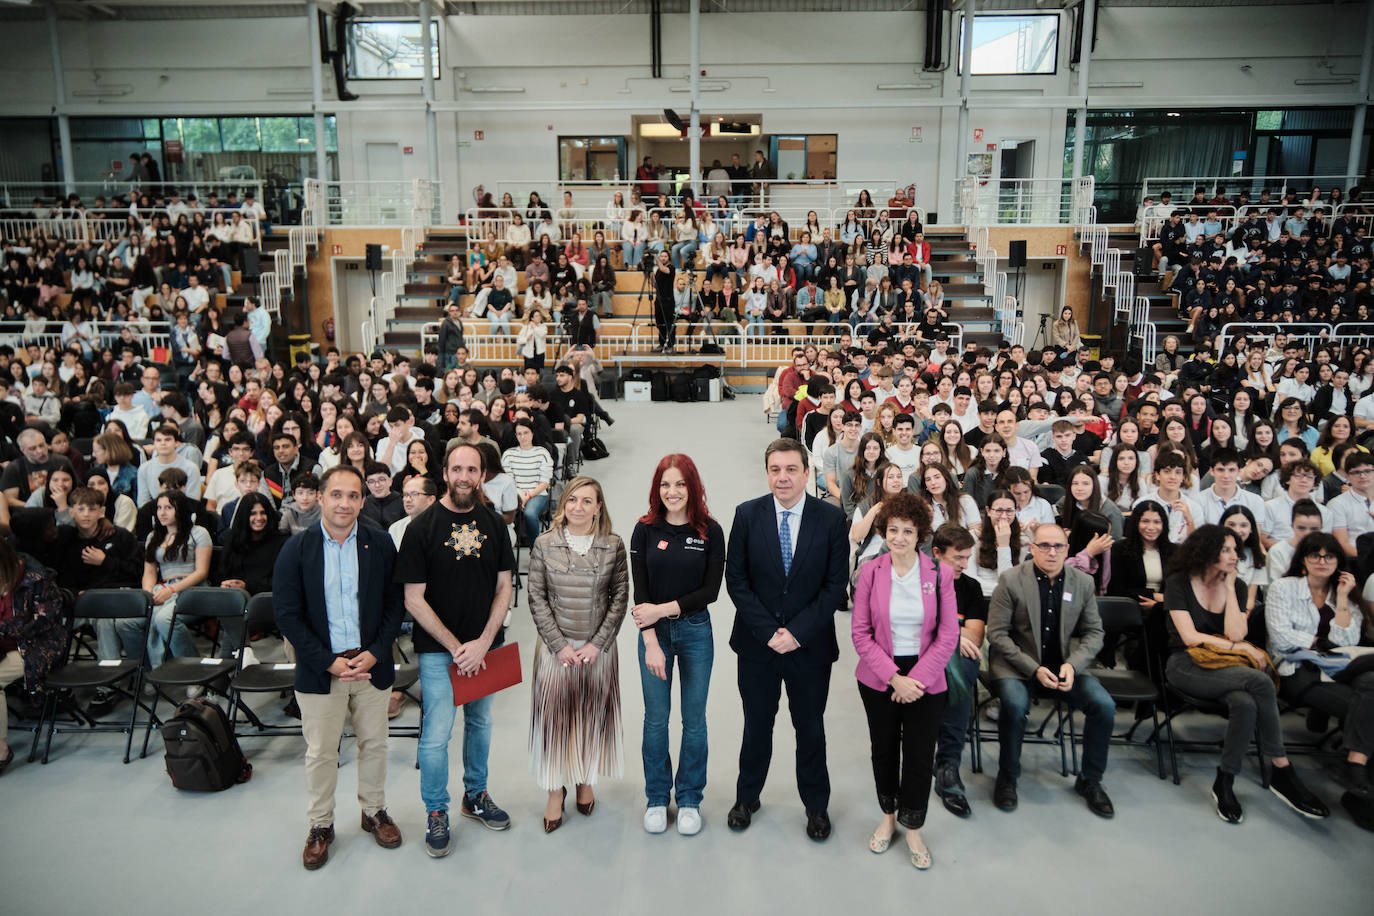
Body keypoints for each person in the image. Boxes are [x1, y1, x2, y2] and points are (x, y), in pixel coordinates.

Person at [273, 465, 406, 869]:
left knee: (375, 744)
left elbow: (394, 604)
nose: (344, 503)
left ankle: (374, 811)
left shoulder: (380, 544)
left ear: (362, 501)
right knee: (321, 752)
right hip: (320, 669)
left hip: (370, 666)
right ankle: (321, 824)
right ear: (321, 498)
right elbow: (287, 615)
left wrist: (377, 651)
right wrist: (328, 661)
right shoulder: (297, 549)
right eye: (336, 495)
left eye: (353, 496)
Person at [1162, 525, 1330, 823]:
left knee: (1245, 703)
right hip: (1186, 664)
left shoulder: (1236, 586)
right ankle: (1282, 769)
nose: (1233, 556)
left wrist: (1228, 588)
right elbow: (1189, 638)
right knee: (1260, 680)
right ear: (1205, 551)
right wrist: (1246, 651)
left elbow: (1236, 633)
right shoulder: (1179, 582)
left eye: (1235, 550)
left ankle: (1225, 779)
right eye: (1225, 550)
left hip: (1226, 666)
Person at [724, 438, 848, 841]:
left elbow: (834, 586)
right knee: (756, 725)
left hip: (809, 647)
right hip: (757, 646)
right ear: (767, 473)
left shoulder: (829, 520)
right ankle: (747, 797)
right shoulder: (746, 515)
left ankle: (816, 806)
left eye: (791, 469)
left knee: (809, 728)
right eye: (775, 469)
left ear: (806, 473)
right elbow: (737, 582)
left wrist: (796, 632)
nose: (783, 477)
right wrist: (768, 631)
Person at [396, 441, 515, 857]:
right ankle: (435, 811)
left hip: (486, 648)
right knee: (436, 736)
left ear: (483, 475)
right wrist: (456, 647)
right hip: (437, 651)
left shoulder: (496, 524)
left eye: (472, 469)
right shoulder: (421, 528)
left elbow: (505, 588)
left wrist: (481, 643)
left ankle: (475, 794)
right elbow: (414, 598)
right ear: (445, 473)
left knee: (481, 725)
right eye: (457, 469)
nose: (464, 476)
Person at [851, 492, 958, 869]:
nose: (898, 537)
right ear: (883, 532)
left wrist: (917, 679)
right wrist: (895, 678)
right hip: (881, 676)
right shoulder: (870, 572)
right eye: (892, 530)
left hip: (925, 678)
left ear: (920, 535)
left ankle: (913, 825)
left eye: (907, 531)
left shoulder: (939, 574)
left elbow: (948, 635)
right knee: (883, 749)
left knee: (918, 754)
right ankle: (888, 816)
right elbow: (860, 634)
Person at [987, 523, 1117, 818]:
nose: (1051, 552)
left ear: (1067, 550)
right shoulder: (1011, 580)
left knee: (1104, 706)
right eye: (1044, 545)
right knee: (1015, 704)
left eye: (1058, 546)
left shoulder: (1082, 583)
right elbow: (997, 635)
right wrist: (1033, 669)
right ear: (1031, 548)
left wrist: (1073, 664)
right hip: (1017, 665)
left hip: (1065, 668)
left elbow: (1094, 633)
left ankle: (1090, 781)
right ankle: (1008, 775)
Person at [629, 455, 725, 835]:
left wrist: (663, 610)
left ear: (693, 487)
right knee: (655, 719)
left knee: (694, 720)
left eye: (680, 484)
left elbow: (710, 591)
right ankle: (656, 796)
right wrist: (650, 641)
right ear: (657, 489)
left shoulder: (710, 531)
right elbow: (640, 592)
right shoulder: (644, 530)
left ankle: (688, 798)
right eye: (666, 485)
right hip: (654, 637)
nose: (672, 492)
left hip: (696, 631)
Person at [527, 476, 629, 832]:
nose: (579, 508)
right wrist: (559, 644)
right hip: (557, 651)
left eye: (587, 501)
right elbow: (537, 599)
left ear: (599, 507)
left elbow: (619, 599)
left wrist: (598, 643)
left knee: (590, 716)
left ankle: (585, 779)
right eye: (572, 500)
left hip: (597, 650)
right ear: (562, 505)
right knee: (554, 721)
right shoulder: (544, 544)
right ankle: (555, 791)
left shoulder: (613, 545)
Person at [1266, 532, 1373, 798]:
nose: (1322, 561)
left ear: (1338, 561)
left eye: (1330, 556)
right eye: (1315, 555)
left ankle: (1356, 763)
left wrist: (1343, 598)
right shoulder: (1284, 587)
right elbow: (1281, 638)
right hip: (1298, 669)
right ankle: (1359, 772)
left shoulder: (1344, 593)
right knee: (1364, 706)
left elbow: (1344, 640)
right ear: (1304, 559)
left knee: (1371, 682)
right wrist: (1320, 642)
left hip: (1340, 666)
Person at [928, 524, 989, 819]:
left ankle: (947, 764)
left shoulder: (971, 587)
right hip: (921, 655)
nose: (965, 565)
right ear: (937, 554)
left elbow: (974, 638)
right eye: (958, 558)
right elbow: (916, 631)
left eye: (968, 558)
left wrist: (945, 634)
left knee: (964, 668)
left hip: (955, 662)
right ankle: (934, 754)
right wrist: (953, 634)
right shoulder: (919, 582)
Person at [124, 492, 213, 668]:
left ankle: (194, 670)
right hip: (163, 589)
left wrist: (171, 590)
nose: (162, 513)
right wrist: (148, 596)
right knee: (126, 623)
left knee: (164, 619)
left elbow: (201, 572)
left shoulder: (198, 533)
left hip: (192, 590)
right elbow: (149, 572)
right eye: (159, 508)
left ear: (180, 510)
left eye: (168, 508)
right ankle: (150, 673)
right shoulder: (153, 536)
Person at [0, 537, 66, 775]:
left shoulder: (38, 578)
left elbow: (43, 621)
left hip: (36, 645)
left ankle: (1, 750)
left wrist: (3, 629)